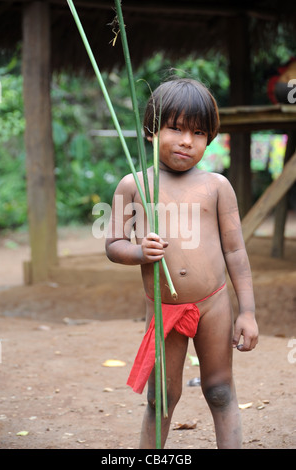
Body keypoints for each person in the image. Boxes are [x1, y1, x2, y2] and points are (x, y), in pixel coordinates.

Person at [105, 78, 259, 449]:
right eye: (175, 128)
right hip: (164, 309)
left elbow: (236, 252)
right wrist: (140, 251)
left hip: (214, 304)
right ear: (151, 131)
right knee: (160, 399)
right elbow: (113, 245)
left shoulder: (217, 186)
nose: (187, 140)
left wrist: (248, 312)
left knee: (220, 391)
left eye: (199, 132)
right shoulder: (133, 185)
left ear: (210, 138)